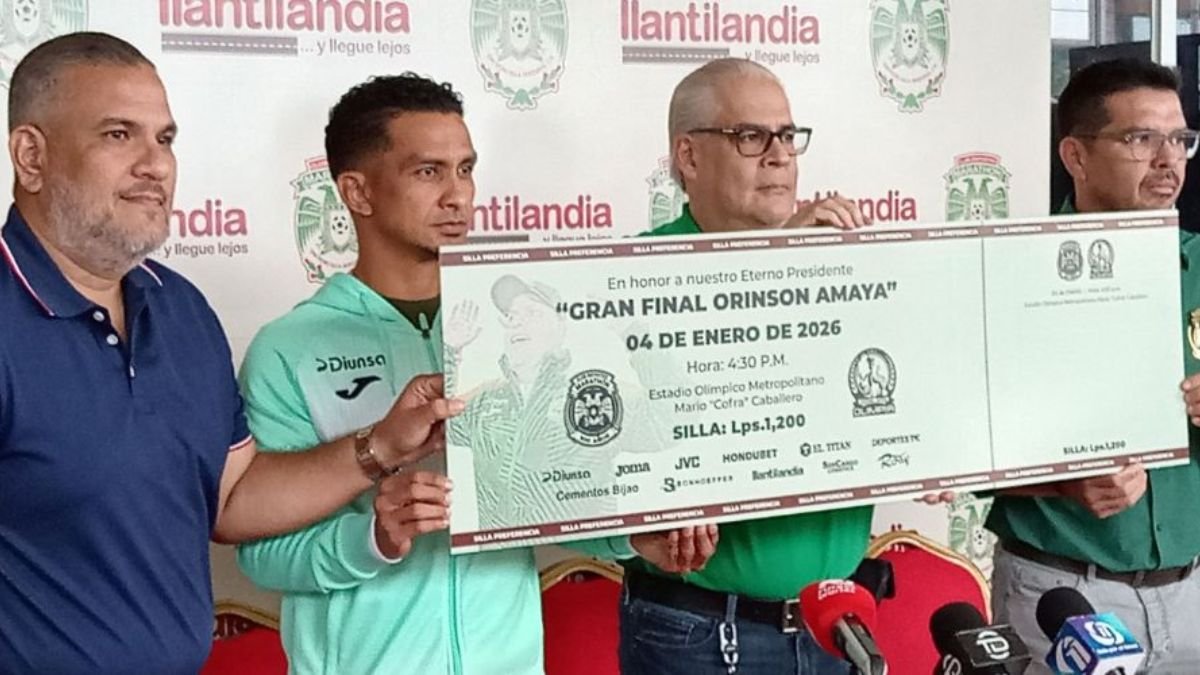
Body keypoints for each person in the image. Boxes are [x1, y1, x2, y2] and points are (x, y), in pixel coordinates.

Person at [0, 33, 458, 675]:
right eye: (118, 135)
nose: (155, 165)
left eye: (164, 139)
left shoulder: (181, 309)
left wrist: (381, 446)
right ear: (31, 155)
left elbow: (232, 498)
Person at [235, 73, 710, 675]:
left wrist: (631, 538)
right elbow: (263, 553)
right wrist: (374, 538)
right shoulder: (289, 348)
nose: (457, 195)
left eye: (465, 170)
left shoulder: (510, 329)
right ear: (357, 192)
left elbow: (540, 492)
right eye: (428, 172)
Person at [573, 57, 877, 675]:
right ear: (688, 156)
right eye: (751, 136)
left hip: (835, 628)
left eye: (787, 135)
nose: (779, 156)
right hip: (696, 634)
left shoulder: (851, 267)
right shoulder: (620, 283)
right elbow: (560, 472)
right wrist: (771, 264)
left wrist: (936, 449)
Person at [988, 58, 1200, 672]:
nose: (1168, 160)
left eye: (1180, 139)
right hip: (1063, 593)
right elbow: (960, 454)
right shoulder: (1008, 274)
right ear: (1075, 156)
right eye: (1141, 139)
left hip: (1191, 590)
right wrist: (1064, 483)